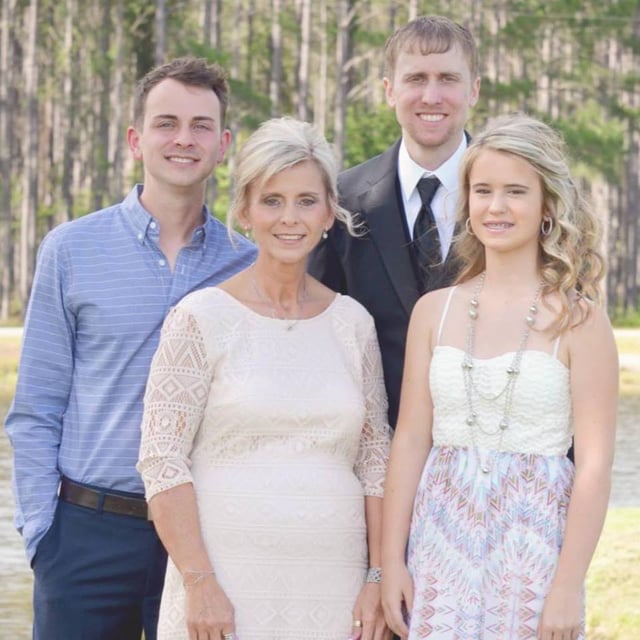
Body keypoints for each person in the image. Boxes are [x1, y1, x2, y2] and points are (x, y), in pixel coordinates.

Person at [5, 57, 256, 640]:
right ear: (136, 139)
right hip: (85, 535)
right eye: (167, 123)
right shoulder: (70, 250)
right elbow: (38, 406)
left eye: (200, 126)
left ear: (222, 145)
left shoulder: (246, 265)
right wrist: (43, 535)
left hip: (203, 541)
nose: (183, 139)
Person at [137, 117, 392, 640]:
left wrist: (377, 577)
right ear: (246, 211)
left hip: (335, 589)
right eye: (272, 200)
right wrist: (199, 582)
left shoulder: (353, 324)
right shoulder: (199, 318)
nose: (289, 218)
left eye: (306, 200)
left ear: (328, 212)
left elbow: (375, 463)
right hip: (224, 589)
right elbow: (161, 462)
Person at [380, 114, 618, 639]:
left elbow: (595, 467)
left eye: (516, 191)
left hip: (533, 553)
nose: (496, 206)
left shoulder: (579, 320)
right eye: (482, 190)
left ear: (547, 206)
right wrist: (390, 562)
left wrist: (566, 585)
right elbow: (411, 441)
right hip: (439, 544)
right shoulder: (433, 312)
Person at [308, 15, 481, 428]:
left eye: (448, 79)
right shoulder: (342, 201)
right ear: (389, 91)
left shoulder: (517, 195)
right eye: (416, 78)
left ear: (474, 90)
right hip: (375, 455)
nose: (432, 95)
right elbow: (318, 335)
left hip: (494, 459)